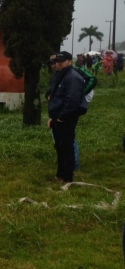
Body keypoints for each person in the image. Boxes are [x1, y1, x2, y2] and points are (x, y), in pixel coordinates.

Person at [46, 51, 85, 183]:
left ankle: (67, 177)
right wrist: (53, 117)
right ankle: (60, 174)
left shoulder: (73, 77)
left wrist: (61, 117)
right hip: (57, 117)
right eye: (55, 62)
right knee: (59, 147)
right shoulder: (59, 75)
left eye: (60, 61)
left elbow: (72, 101)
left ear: (69, 61)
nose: (57, 64)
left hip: (66, 118)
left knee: (67, 147)